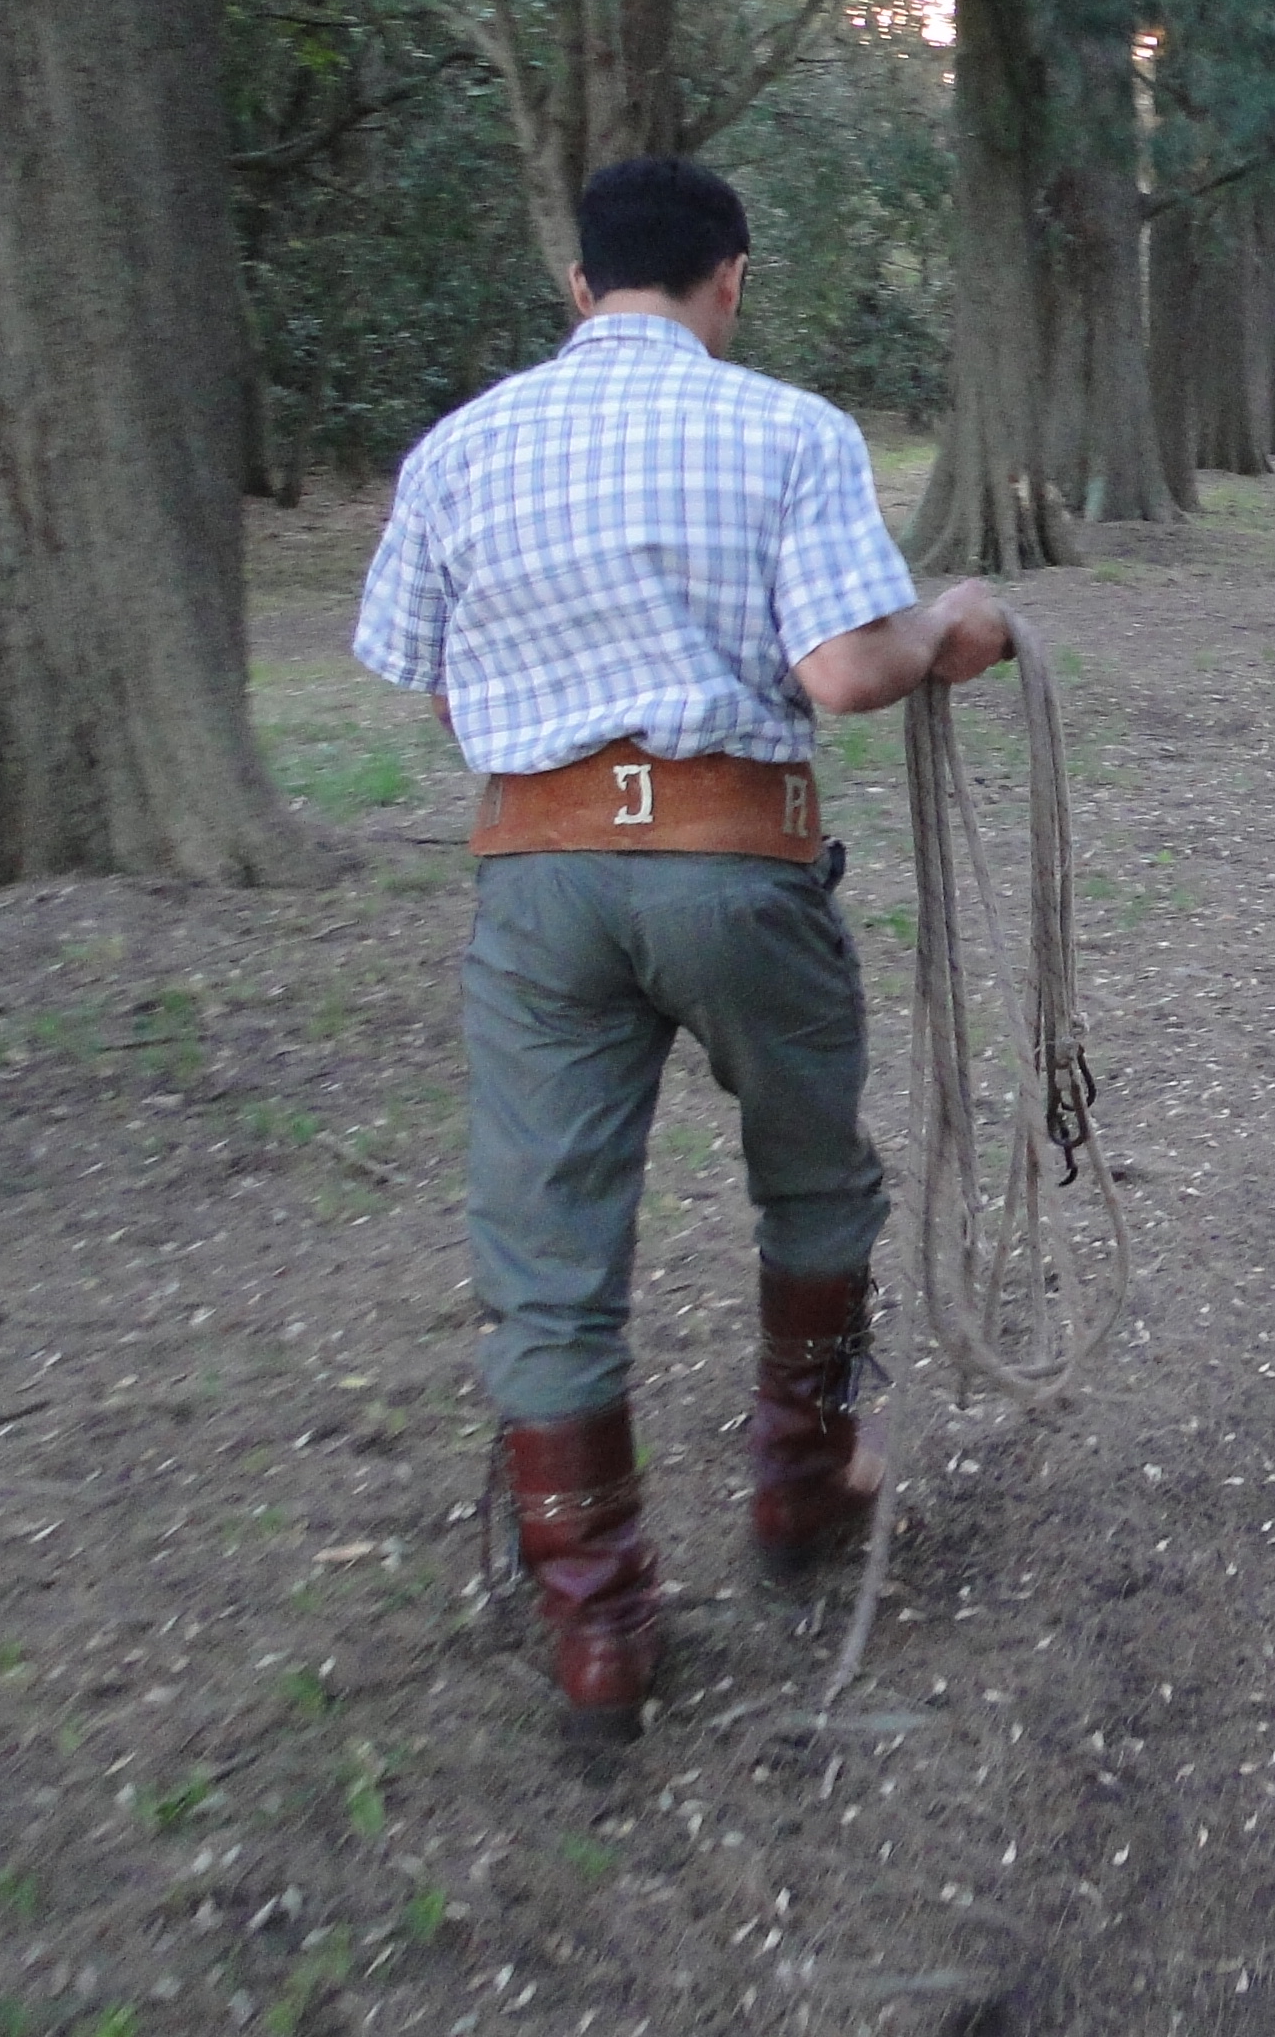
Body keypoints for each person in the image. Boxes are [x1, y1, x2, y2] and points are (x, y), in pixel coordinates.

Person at [353, 156, 1012, 1743]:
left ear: (580, 288)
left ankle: (600, 1637)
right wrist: (955, 627)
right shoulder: (788, 430)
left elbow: (430, 684)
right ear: (732, 279)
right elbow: (847, 673)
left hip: (540, 881)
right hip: (734, 862)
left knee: (550, 1251)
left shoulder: (459, 449)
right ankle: (804, 1482)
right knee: (818, 1183)